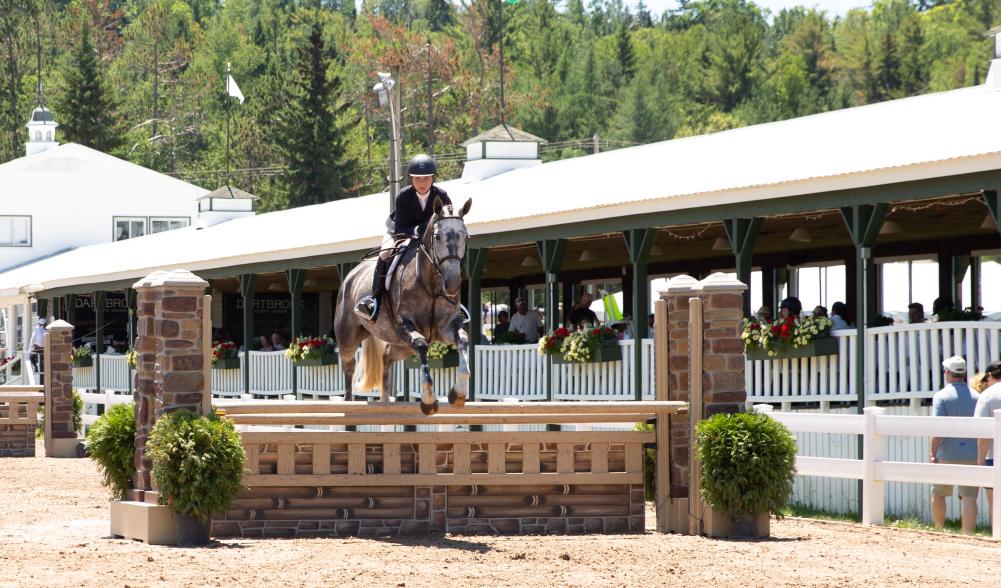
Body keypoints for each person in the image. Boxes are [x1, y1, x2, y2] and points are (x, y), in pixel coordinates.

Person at [355, 154, 452, 321]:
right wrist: (418, 230)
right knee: (385, 253)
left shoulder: (442, 196)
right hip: (401, 232)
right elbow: (400, 227)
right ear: (411, 179)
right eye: (417, 179)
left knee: (450, 255)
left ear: (433, 178)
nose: (421, 183)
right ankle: (374, 300)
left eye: (426, 179)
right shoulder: (403, 196)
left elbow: (448, 222)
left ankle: (453, 303)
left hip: (430, 237)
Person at [930, 356, 980, 533]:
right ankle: (968, 534)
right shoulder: (976, 396)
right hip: (972, 454)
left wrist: (933, 452)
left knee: (939, 493)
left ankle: (939, 529)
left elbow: (938, 428)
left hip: (947, 453)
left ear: (947, 373)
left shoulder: (941, 396)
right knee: (969, 497)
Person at [974, 360, 1001, 522]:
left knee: (995, 502)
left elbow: (982, 432)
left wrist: (980, 462)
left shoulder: (988, 395)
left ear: (990, 376)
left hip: (994, 456)